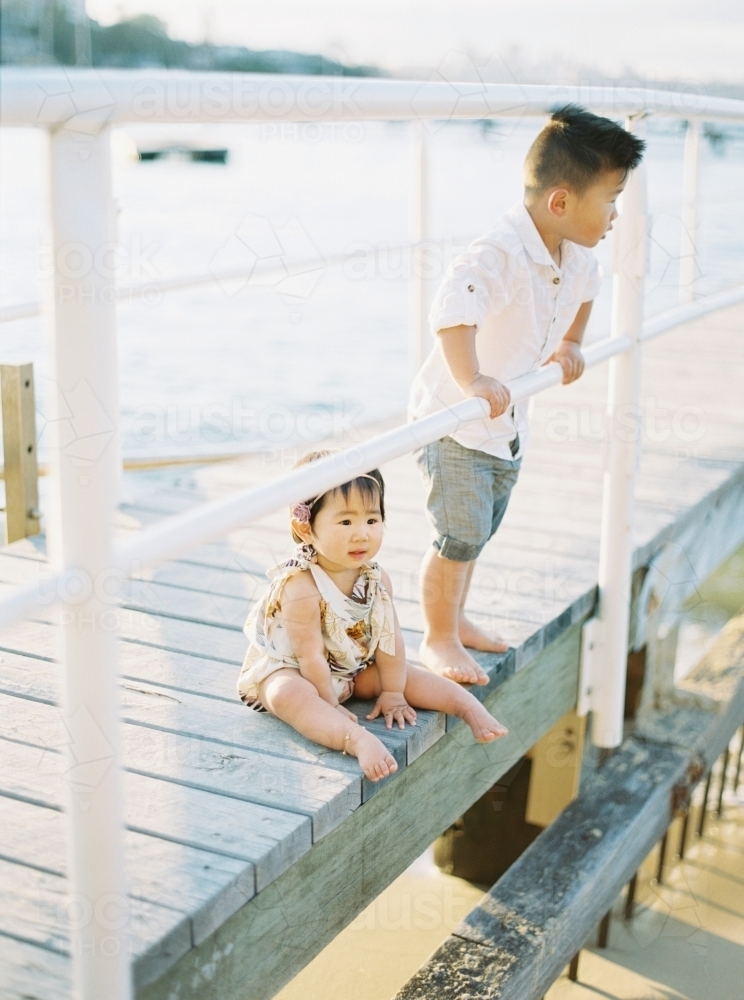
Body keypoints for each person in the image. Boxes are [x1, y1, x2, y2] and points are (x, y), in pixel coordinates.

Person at [409, 104, 646, 686]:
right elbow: (453, 312)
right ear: (561, 202)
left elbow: (588, 291)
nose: (616, 214)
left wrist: (569, 342)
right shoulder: (498, 252)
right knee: (457, 533)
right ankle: (437, 636)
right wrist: (473, 381)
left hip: (507, 425)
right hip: (457, 419)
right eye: (610, 199)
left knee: (480, 531)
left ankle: (457, 619)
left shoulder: (577, 255)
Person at [237, 452, 508, 782]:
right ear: (305, 528)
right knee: (286, 695)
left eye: (372, 519)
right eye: (346, 522)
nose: (361, 533)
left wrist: (393, 691)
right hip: (298, 670)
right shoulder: (301, 586)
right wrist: (331, 704)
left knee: (404, 673)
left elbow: (389, 640)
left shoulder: (375, 579)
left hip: (349, 668)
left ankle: (466, 706)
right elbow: (309, 658)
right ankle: (355, 740)